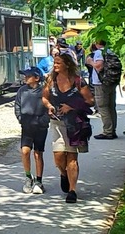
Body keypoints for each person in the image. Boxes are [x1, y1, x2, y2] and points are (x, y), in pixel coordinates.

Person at [42, 52, 94, 203]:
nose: (55, 65)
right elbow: (44, 97)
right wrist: (49, 106)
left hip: (74, 125)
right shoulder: (51, 80)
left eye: (58, 63)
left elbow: (90, 101)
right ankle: (64, 174)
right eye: (55, 63)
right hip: (57, 122)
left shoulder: (78, 81)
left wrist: (71, 106)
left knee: (72, 156)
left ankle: (72, 190)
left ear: (67, 64)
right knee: (58, 156)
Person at [14, 66, 50, 194]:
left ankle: (39, 180)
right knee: (25, 151)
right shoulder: (22, 91)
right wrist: (20, 117)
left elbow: (49, 107)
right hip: (27, 124)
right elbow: (17, 105)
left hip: (40, 126)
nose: (25, 78)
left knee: (38, 153)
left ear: (36, 78)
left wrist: (44, 120)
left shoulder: (44, 91)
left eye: (28, 76)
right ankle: (28, 177)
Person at [89, 39, 119, 139]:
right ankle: (112, 130)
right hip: (111, 81)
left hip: (100, 83)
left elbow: (98, 66)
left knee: (103, 107)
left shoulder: (98, 52)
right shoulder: (109, 51)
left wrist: (90, 62)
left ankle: (107, 131)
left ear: (97, 44)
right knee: (111, 106)